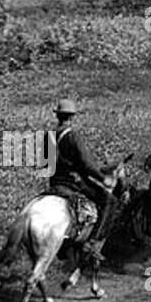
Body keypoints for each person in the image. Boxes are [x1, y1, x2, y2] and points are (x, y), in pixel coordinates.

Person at [47, 99, 114, 255]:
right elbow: (87, 164)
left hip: (54, 182)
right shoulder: (73, 136)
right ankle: (92, 243)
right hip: (73, 182)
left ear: (58, 116)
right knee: (110, 201)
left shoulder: (48, 136)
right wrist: (103, 178)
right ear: (72, 117)